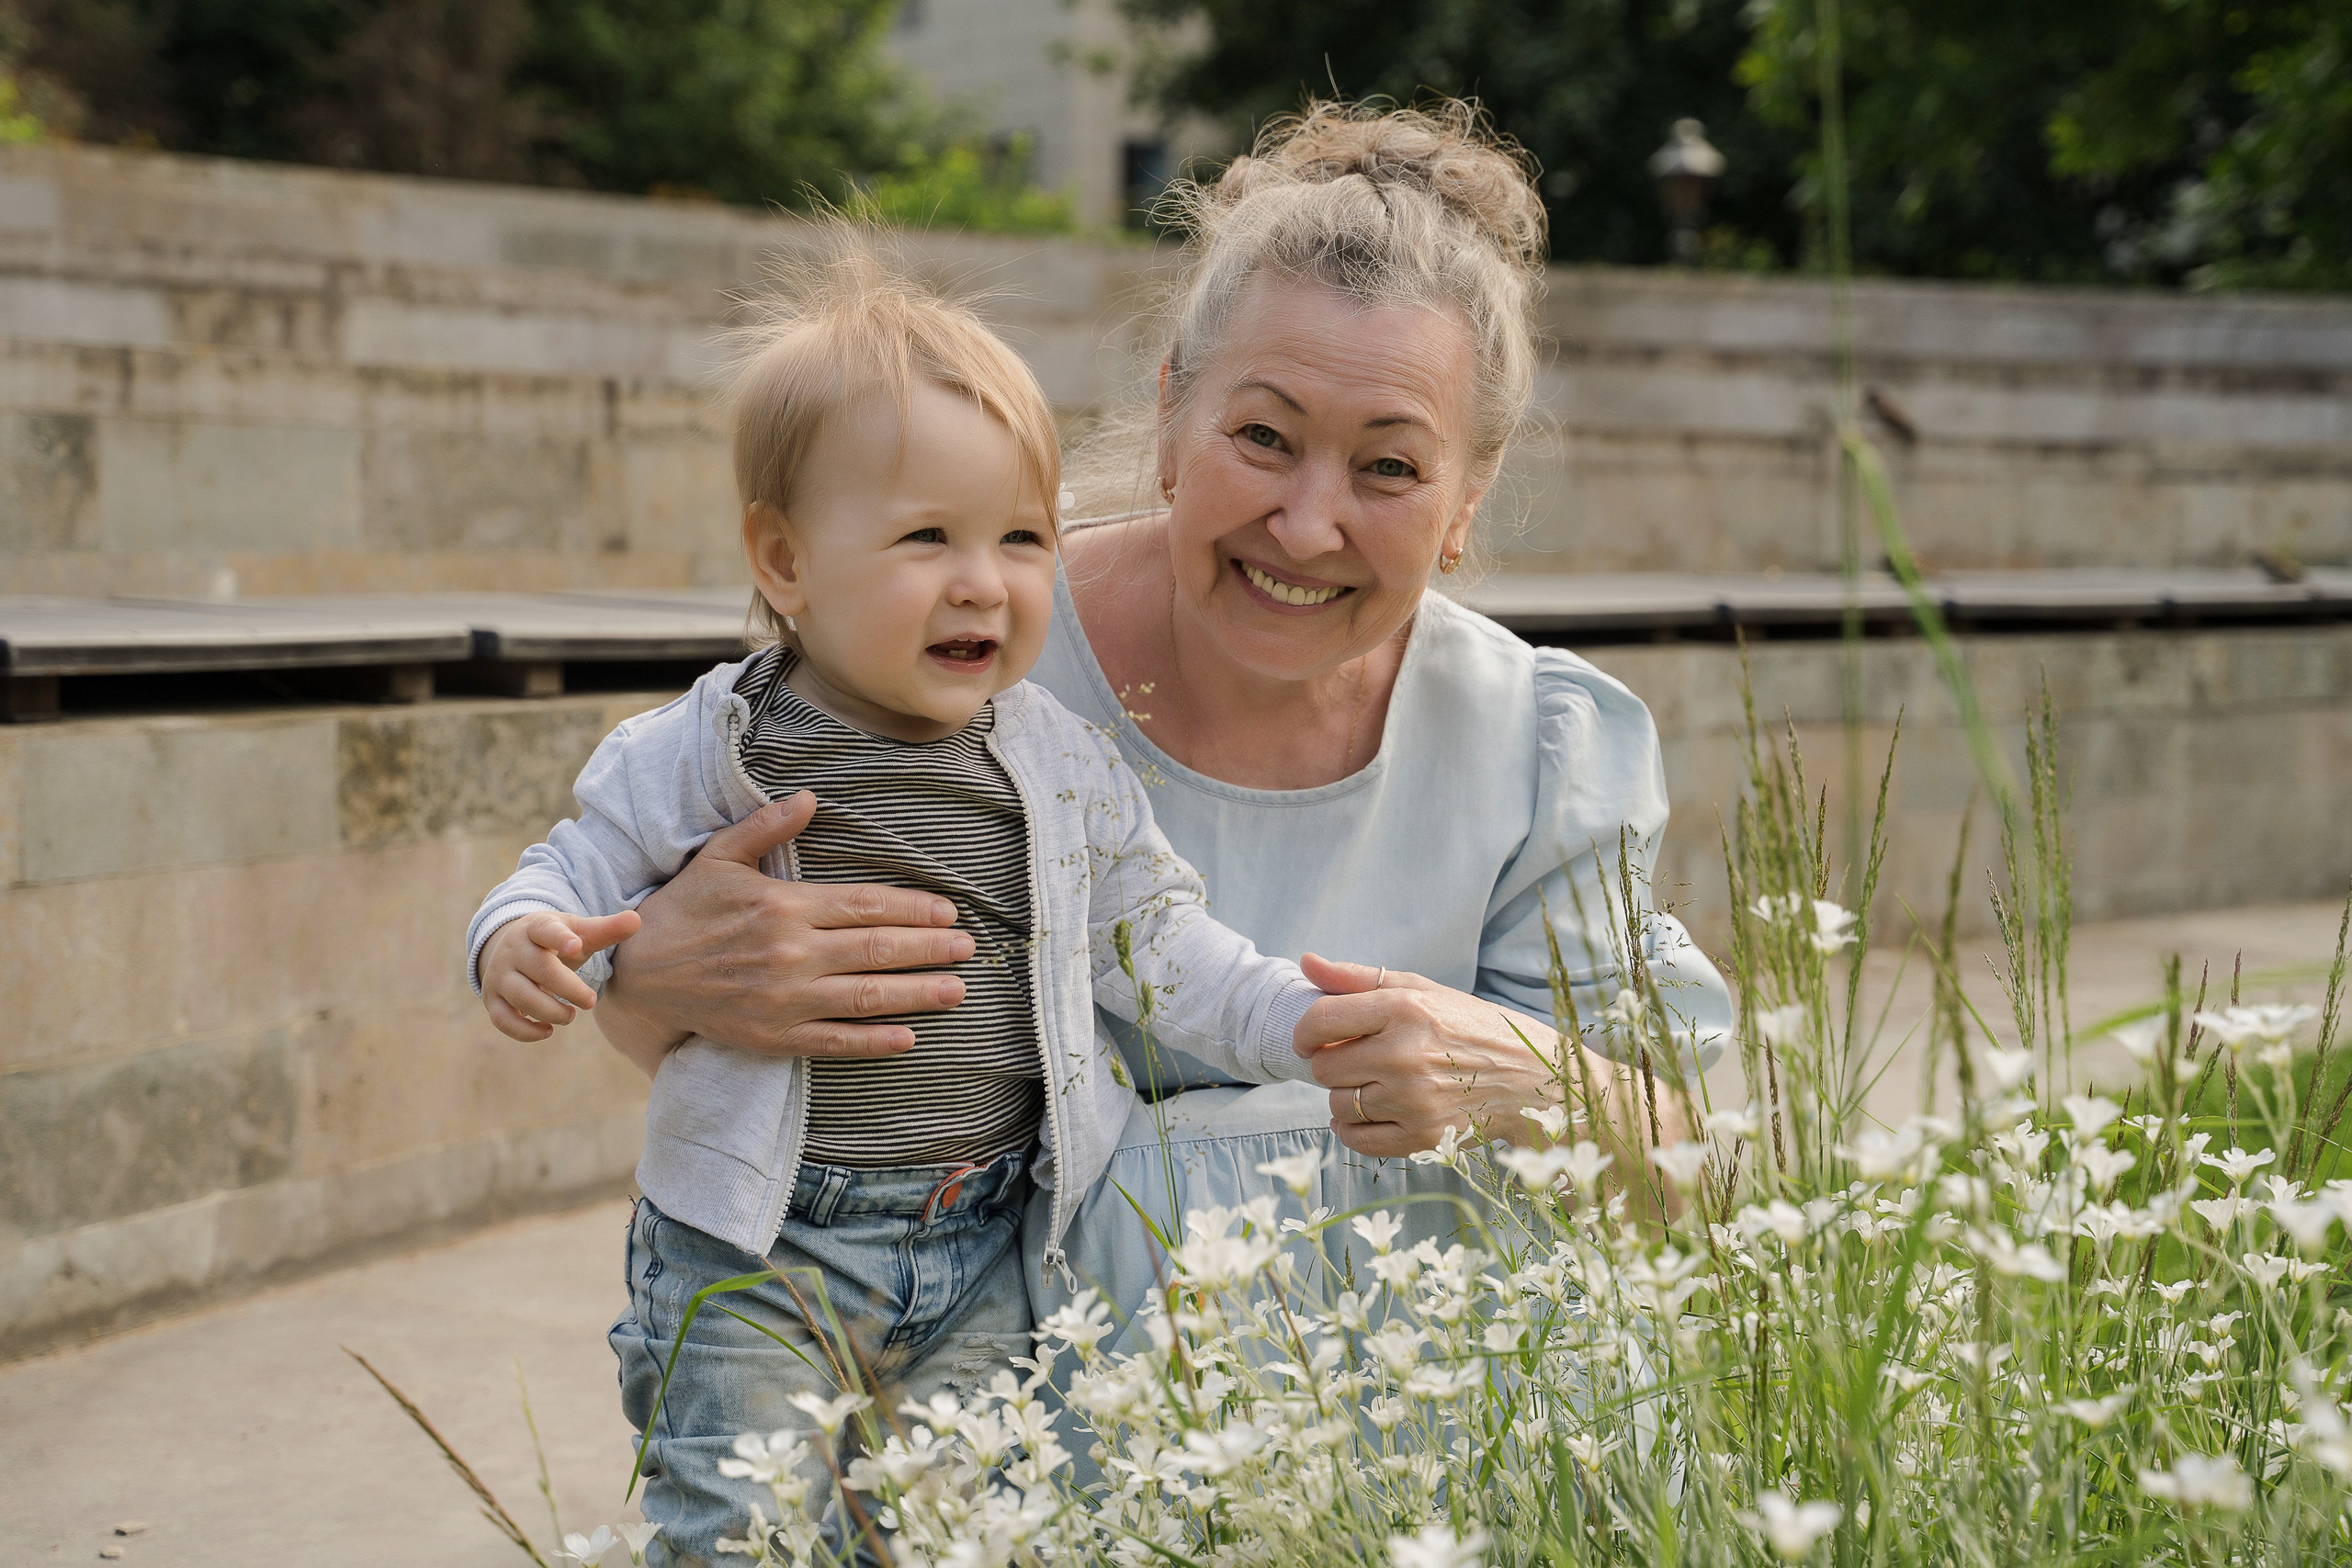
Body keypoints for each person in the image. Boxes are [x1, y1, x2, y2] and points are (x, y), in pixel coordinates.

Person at [591, 96, 1733, 1394]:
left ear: (1467, 499)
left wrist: (1520, 1072)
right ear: (1173, 416)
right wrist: (649, 980)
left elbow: (1710, 1180)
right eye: (1263, 436)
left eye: (1390, 468)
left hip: (1421, 1458)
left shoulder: (1537, 745)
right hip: (1002, 1456)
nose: (1308, 526)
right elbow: (759, 1078)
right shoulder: (949, 651)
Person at [465, 256, 1346, 1566]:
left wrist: (1300, 1020)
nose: (983, 582)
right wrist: (520, 941)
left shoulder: (1058, 764)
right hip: (757, 1251)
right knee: (740, 1535)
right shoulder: (719, 743)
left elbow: (1164, 945)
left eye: (1022, 538)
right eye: (928, 537)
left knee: (956, 1537)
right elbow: (569, 867)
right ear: (786, 558)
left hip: (983, 1242)